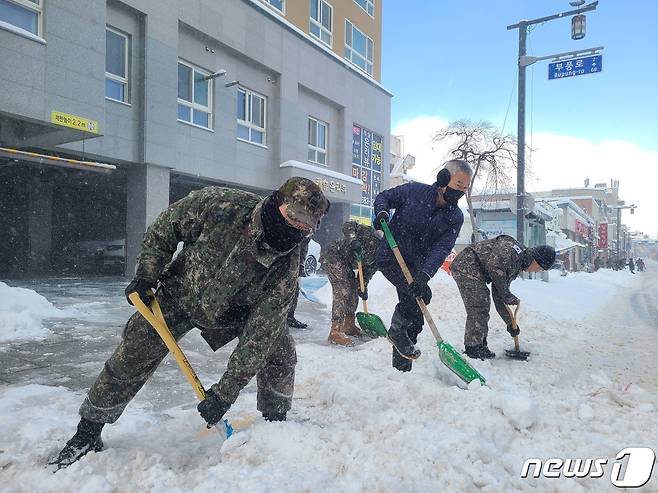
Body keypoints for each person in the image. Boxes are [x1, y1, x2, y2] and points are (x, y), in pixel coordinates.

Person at [49, 177, 329, 469]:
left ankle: (275, 424)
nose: (295, 228)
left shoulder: (286, 264)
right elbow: (165, 229)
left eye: (304, 226)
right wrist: (146, 274)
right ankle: (88, 432)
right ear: (277, 202)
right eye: (293, 217)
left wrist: (224, 393)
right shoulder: (222, 206)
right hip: (180, 294)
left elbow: (261, 333)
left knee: (280, 349)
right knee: (134, 350)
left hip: (235, 313)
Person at [373, 159, 472, 372]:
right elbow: (384, 197)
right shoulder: (414, 191)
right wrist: (381, 212)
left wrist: (424, 275)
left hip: (416, 265)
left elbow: (442, 249)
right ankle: (397, 333)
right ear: (444, 178)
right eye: (459, 185)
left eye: (465, 188)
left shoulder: (455, 216)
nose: (461, 191)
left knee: (418, 311)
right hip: (391, 256)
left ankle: (402, 365)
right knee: (415, 297)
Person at [451, 235, 556, 359]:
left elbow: (499, 294)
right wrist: (506, 294)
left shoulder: (517, 262)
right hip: (466, 265)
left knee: (482, 304)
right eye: (539, 269)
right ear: (536, 261)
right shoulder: (512, 251)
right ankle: (473, 348)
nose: (536, 271)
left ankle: (480, 344)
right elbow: (495, 268)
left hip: (475, 269)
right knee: (479, 305)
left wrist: (510, 323)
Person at [319, 221, 380, 346]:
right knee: (343, 287)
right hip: (333, 255)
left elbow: (364, 275)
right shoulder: (369, 234)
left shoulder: (381, 257)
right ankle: (335, 331)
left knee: (353, 289)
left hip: (345, 263)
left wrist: (362, 288)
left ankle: (348, 324)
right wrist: (353, 240)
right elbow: (348, 225)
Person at [287, 238, 311, 329]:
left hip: (294, 262)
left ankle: (289, 317)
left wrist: (301, 264)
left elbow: (304, 247)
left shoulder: (308, 231)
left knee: (294, 289)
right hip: (280, 257)